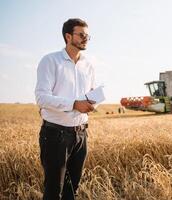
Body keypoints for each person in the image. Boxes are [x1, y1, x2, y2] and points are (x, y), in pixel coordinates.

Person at [35, 18, 96, 200]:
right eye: (81, 35)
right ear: (68, 36)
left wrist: (93, 102)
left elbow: (90, 93)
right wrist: (75, 104)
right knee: (54, 191)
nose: (85, 39)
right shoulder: (50, 61)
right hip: (55, 135)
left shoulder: (88, 65)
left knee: (72, 191)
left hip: (81, 135)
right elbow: (41, 98)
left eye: (87, 36)